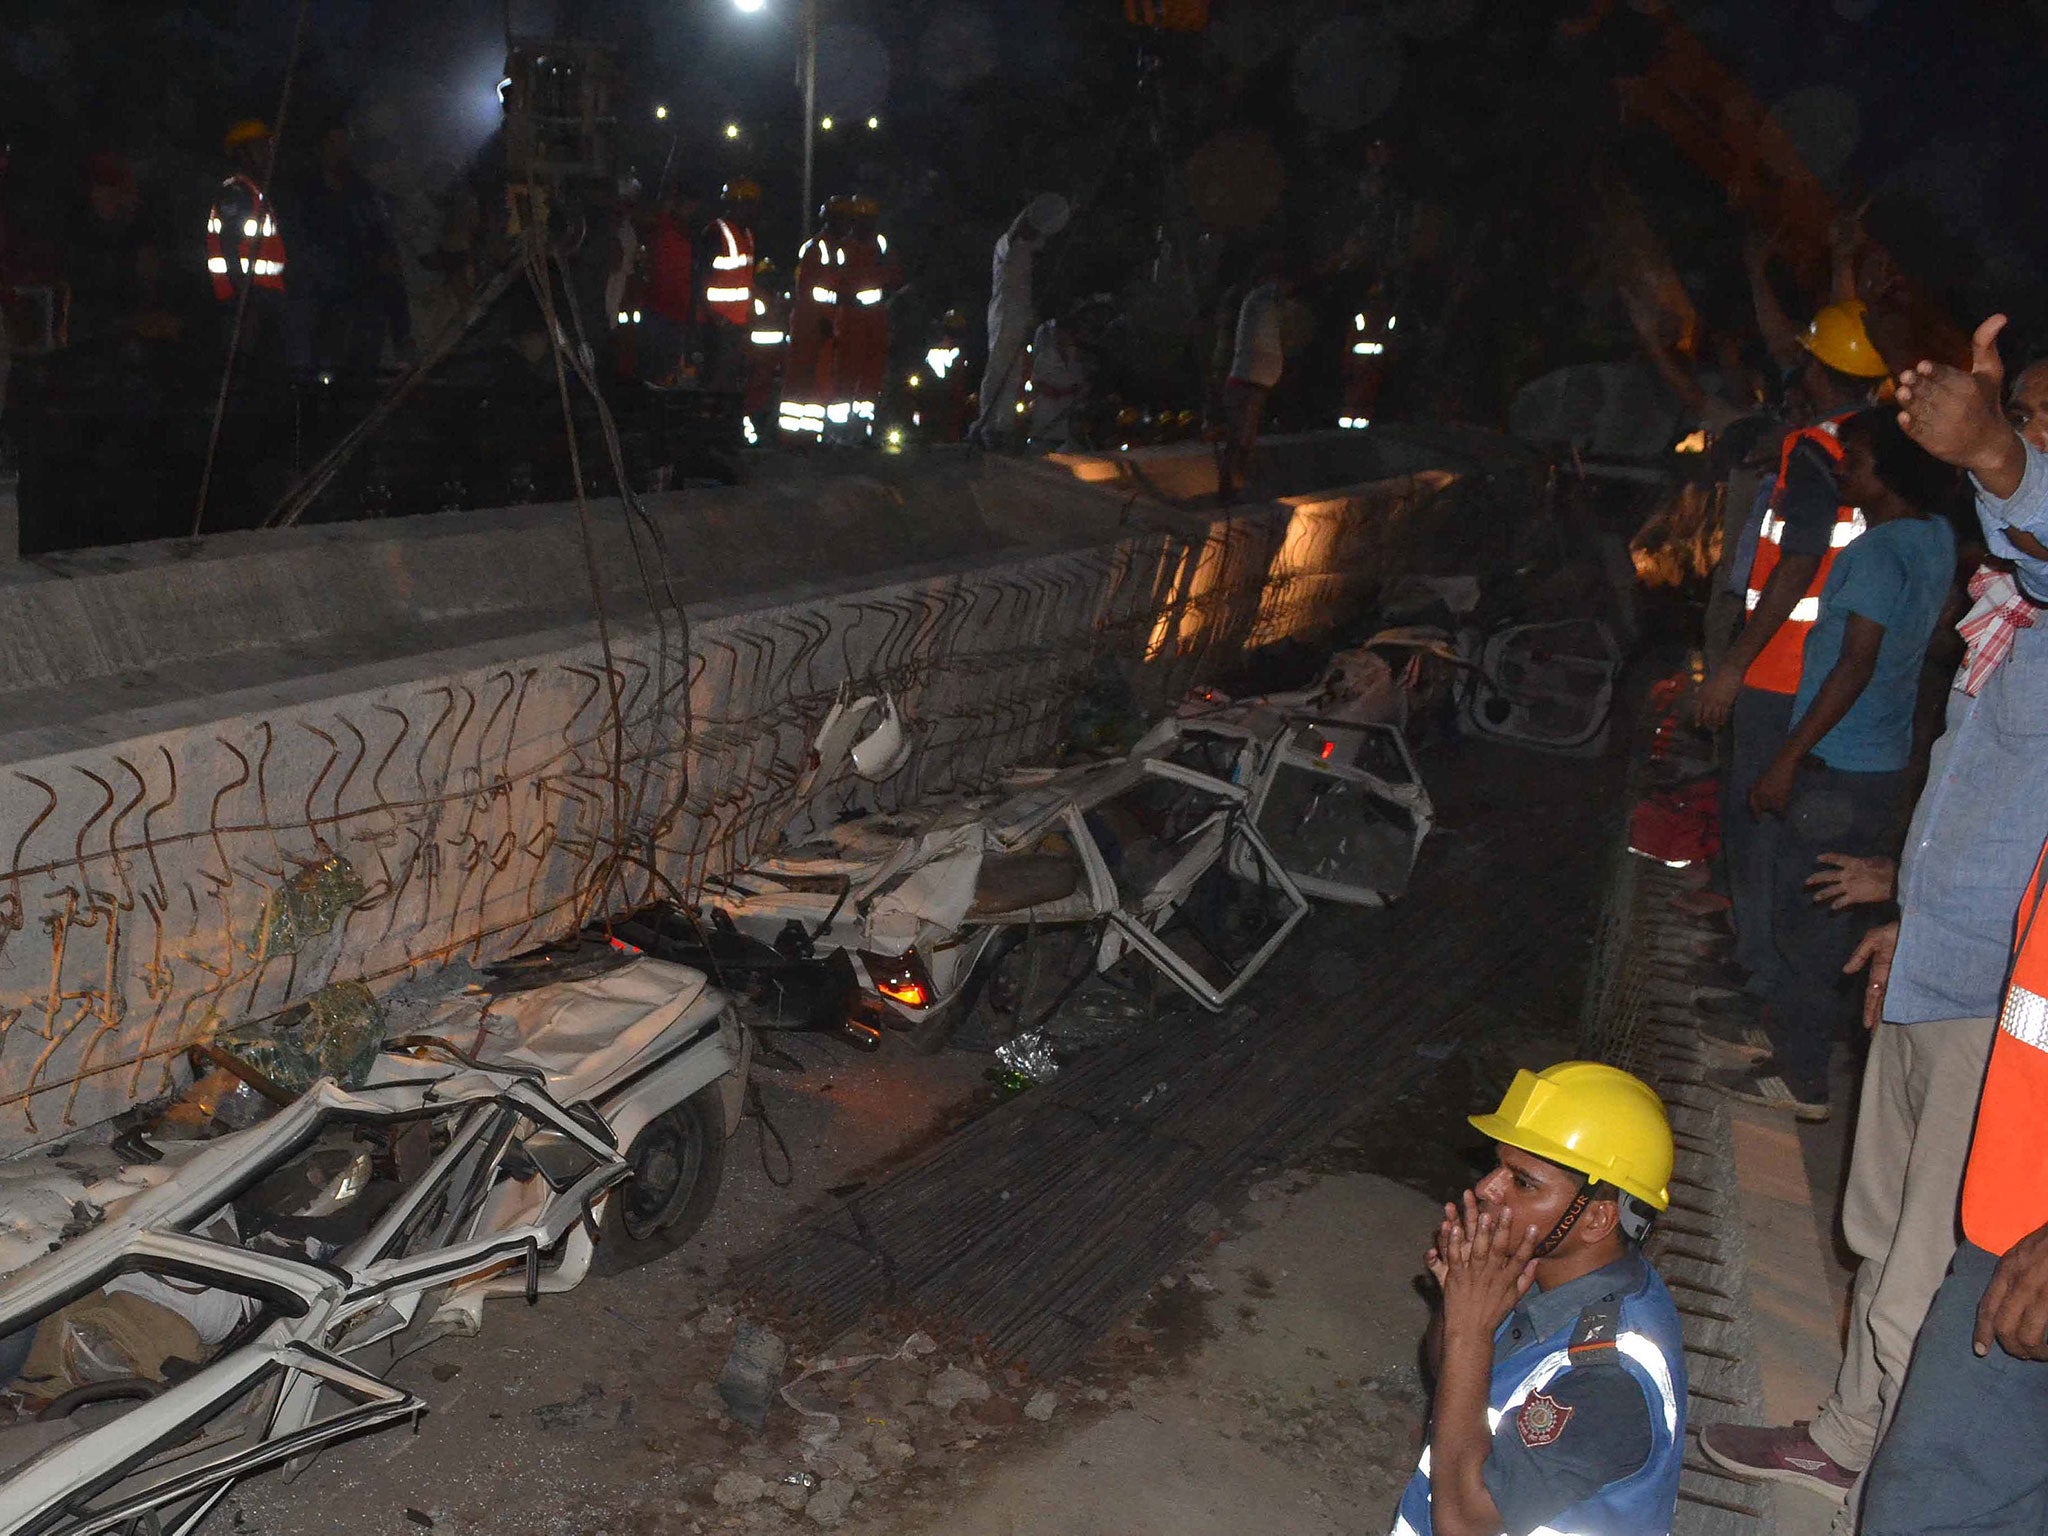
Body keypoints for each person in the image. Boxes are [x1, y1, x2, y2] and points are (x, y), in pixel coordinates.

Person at [1702, 316, 2048, 1512]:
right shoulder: (2005, 609)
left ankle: (1878, 1463)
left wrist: (1999, 457)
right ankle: (1853, 1434)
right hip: (1939, 956)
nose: (2029, 432)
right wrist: (1901, 899)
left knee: (1928, 1263)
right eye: (2029, 411)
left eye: (2045, 418)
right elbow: (1984, 799)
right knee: (1875, 1217)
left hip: (2002, 1007)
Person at [1709, 408, 1957, 1119]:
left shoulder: (1873, 556)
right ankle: (1793, 1046)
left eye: (1856, 462)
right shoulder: (1932, 538)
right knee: (1826, 914)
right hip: (1879, 755)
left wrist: (1785, 758)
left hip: (1834, 760)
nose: (1845, 472)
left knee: (1806, 920)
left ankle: (1803, 1076)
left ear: (1889, 473)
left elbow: (1853, 666)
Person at [1691, 302, 1889, 1048]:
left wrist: (1732, 667)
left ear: (1822, 369)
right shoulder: (1878, 445)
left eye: (1806, 360)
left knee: (1759, 831)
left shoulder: (1815, 450)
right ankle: (1771, 982)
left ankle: (1762, 984)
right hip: (1825, 670)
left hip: (1779, 672)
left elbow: (1799, 558)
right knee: (1786, 836)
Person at [1392, 1062, 1685, 1536]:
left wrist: (1470, 1325)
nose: (1487, 1188)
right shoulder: (1549, 1274)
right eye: (1497, 1165)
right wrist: (1460, 1300)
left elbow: (1464, 1525)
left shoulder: (1610, 1379)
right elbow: (1451, 1371)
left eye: (1523, 1182)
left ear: (1595, 1220)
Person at [286, 124, 409, 383]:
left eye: (343, 143)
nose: (339, 150)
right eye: (332, 143)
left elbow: (379, 237)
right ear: (321, 148)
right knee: (316, 364)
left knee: (360, 361)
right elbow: (298, 240)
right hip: (319, 292)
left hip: (359, 289)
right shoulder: (303, 191)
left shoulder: (362, 192)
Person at [971, 192, 1069, 449]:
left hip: (1019, 315)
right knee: (999, 368)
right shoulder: (1007, 244)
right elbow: (1019, 234)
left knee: (1013, 373)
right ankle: (988, 424)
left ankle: (1002, 425)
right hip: (1004, 314)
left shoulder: (1027, 250)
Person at [1218, 258, 1289, 503]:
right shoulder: (1259, 300)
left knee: (1244, 438)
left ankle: (1235, 487)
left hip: (1255, 382)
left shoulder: (1264, 306)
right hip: (1247, 382)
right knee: (1240, 439)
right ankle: (1230, 490)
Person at [205, 119, 286, 309]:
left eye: (267, 147)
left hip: (264, 297)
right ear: (242, 154)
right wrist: (244, 297)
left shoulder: (255, 192)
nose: (267, 154)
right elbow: (229, 246)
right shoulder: (237, 193)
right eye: (259, 148)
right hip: (245, 300)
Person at [699, 179, 759, 393]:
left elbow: (745, 280)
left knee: (732, 382)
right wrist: (716, 318)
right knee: (716, 382)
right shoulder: (716, 233)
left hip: (738, 323)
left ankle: (725, 421)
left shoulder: (747, 235)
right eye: (749, 204)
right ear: (735, 204)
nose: (752, 210)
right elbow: (701, 279)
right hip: (719, 325)